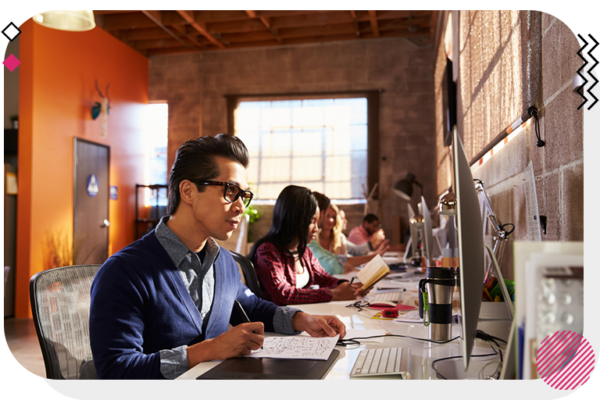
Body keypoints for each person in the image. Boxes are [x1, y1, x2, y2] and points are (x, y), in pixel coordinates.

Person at [89, 134, 346, 379]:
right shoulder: (125, 271)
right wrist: (208, 350)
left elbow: (253, 306)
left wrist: (304, 319)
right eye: (230, 191)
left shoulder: (223, 262)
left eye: (243, 196)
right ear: (188, 192)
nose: (240, 207)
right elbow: (116, 370)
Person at [249, 185, 368, 306]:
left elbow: (324, 278)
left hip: (305, 317)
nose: (316, 229)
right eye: (312, 222)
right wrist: (334, 294)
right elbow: (282, 295)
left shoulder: (303, 250)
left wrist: (346, 286)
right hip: (279, 323)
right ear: (295, 219)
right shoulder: (268, 251)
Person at [308, 203, 389, 275]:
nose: (331, 220)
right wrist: (372, 247)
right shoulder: (312, 240)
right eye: (327, 216)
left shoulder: (340, 237)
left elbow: (341, 259)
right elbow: (335, 265)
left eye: (333, 217)